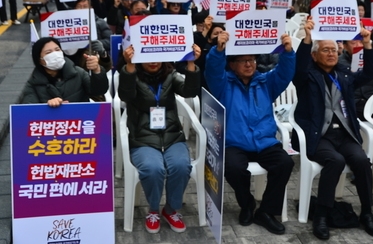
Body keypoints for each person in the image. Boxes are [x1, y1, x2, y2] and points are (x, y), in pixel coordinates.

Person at [292, 16, 373, 240]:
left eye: (334, 49)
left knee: (361, 161)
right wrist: (307, 38)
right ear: (314, 54)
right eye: (325, 50)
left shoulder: (345, 76)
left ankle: (367, 213)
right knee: (335, 161)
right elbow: (298, 68)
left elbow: (370, 74)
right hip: (318, 135)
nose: (331, 53)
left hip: (345, 133)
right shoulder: (306, 76)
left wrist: (368, 45)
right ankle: (321, 215)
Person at [204, 32, 295, 235]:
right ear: (232, 64)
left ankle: (267, 212)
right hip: (234, 143)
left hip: (264, 141)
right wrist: (218, 51)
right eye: (244, 60)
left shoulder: (265, 82)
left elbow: (284, 74)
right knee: (234, 168)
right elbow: (212, 70)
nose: (249, 64)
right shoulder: (222, 85)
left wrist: (288, 52)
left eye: (252, 59)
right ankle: (246, 204)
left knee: (285, 163)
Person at [118, 43, 201, 234]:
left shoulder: (171, 75)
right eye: (147, 57)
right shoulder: (133, 75)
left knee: (181, 166)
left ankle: (170, 209)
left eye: (157, 56)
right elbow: (126, 95)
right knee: (153, 168)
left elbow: (189, 91)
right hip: (143, 140)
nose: (153, 62)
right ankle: (153, 209)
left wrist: (191, 64)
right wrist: (129, 66)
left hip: (172, 137)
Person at [23, 37, 109, 106]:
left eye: (57, 50)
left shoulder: (78, 73)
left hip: (80, 121)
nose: (55, 54)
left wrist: (97, 70)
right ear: (39, 60)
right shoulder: (33, 83)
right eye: (48, 52)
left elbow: (99, 91)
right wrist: (47, 107)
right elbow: (29, 110)